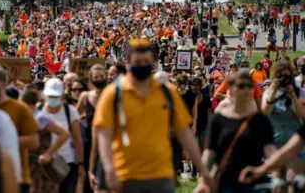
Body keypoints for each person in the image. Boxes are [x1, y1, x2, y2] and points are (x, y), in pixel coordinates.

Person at [93, 39, 212, 193]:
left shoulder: (167, 92)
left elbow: (184, 131)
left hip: (161, 175)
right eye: (138, 61)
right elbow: (104, 134)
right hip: (125, 174)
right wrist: (108, 169)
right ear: (128, 63)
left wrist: (203, 170)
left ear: (153, 63)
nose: (142, 64)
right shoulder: (113, 94)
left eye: (146, 61)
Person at [203, 72, 275, 192]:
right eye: (241, 86)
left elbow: (270, 151)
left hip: (254, 184)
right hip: (225, 183)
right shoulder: (218, 119)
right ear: (230, 88)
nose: (246, 89)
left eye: (250, 86)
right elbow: (209, 153)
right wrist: (203, 180)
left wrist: (270, 170)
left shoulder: (260, 121)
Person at [0, 65, 40, 193]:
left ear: (3, 84)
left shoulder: (20, 108)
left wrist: (7, 140)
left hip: (18, 176)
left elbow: (34, 141)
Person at [261, 61, 305, 188]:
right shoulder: (269, 93)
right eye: (280, 77)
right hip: (275, 141)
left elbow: (302, 115)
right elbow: (265, 111)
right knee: (278, 184)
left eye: (287, 76)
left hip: (296, 142)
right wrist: (273, 91)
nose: (284, 79)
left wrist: (292, 95)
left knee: (294, 182)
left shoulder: (300, 93)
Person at [21, 85, 71, 193]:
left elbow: (64, 133)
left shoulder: (41, 117)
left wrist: (48, 153)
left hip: (41, 165)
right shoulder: (26, 116)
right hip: (28, 164)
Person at [41, 78, 86, 193]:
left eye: (56, 97)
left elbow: (77, 139)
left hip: (66, 163)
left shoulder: (69, 111)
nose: (53, 100)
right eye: (50, 96)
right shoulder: (39, 111)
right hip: (45, 164)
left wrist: (81, 164)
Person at [76, 64, 108, 193]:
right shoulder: (85, 96)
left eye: (101, 76)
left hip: (107, 139)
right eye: (96, 77)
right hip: (89, 140)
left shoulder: (109, 94)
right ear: (91, 78)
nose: (99, 79)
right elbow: (74, 115)